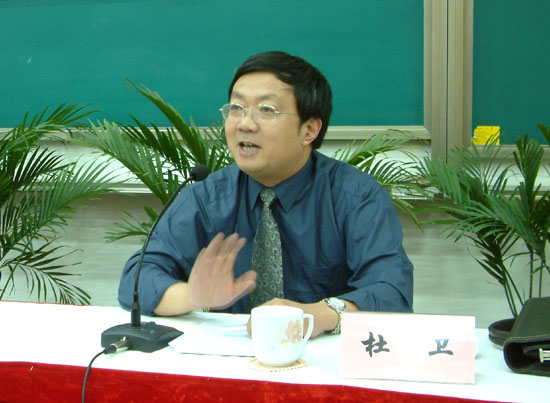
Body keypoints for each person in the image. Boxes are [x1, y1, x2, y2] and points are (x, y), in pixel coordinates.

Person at [118, 51, 413, 337]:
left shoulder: (355, 198)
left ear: (309, 130)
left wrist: (319, 315)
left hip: (324, 359)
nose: (245, 123)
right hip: (226, 360)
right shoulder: (206, 198)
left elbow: (392, 292)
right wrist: (193, 296)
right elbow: (137, 279)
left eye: (266, 110)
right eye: (236, 108)